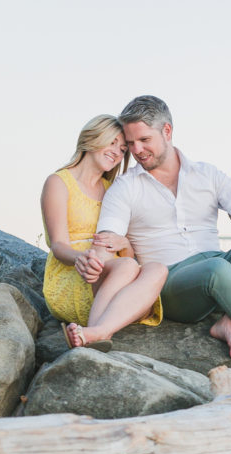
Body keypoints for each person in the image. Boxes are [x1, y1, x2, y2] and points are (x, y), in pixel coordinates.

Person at [95, 96, 231, 366]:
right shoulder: (126, 187)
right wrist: (92, 260)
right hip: (172, 285)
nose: (136, 150)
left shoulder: (206, 174)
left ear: (167, 131)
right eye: (131, 143)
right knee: (217, 270)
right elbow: (107, 238)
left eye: (144, 140)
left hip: (220, 267)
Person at [41, 115, 167, 350]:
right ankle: (95, 331)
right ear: (92, 138)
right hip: (75, 272)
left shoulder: (114, 189)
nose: (117, 153)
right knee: (128, 267)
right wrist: (81, 258)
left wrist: (124, 242)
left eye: (122, 149)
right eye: (112, 143)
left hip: (115, 270)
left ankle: (96, 332)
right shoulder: (59, 182)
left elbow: (128, 255)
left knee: (157, 269)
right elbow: (57, 245)